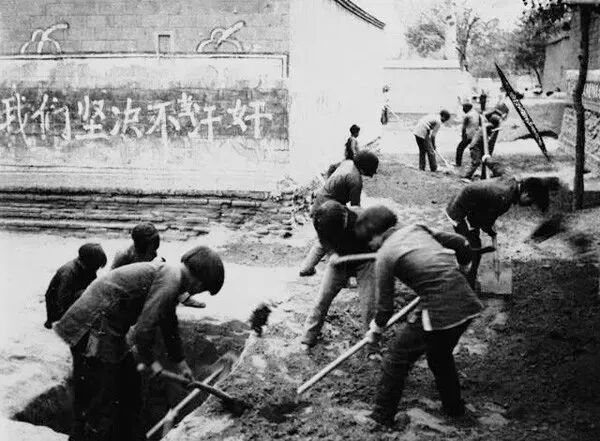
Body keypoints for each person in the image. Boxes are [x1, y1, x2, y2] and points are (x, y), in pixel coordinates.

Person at [54, 246, 225, 441]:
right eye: (203, 289)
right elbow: (144, 331)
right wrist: (154, 365)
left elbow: (168, 321)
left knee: (130, 387)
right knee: (99, 401)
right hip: (92, 330)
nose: (197, 291)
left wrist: (180, 362)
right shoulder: (171, 280)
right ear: (199, 283)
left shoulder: (171, 277)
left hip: (108, 330)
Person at [355, 206, 483, 428]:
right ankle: (454, 409)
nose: (370, 246)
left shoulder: (385, 254)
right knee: (439, 356)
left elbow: (385, 308)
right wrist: (463, 268)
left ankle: (380, 417)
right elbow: (461, 243)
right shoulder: (418, 228)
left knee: (396, 359)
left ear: (376, 235)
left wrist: (374, 331)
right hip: (467, 301)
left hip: (440, 309)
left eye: (369, 241)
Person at [300, 201, 378, 354]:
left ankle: (372, 348)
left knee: (369, 305)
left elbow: (382, 245)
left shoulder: (365, 220)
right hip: (339, 261)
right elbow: (322, 242)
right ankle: (307, 338)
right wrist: (331, 253)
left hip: (365, 262)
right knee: (322, 299)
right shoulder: (323, 222)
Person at [446, 176, 551, 287]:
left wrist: (487, 226)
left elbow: (486, 213)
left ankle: (469, 271)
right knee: (470, 245)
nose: (529, 205)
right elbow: (482, 218)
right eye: (531, 202)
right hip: (458, 209)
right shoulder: (504, 198)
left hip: (473, 206)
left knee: (474, 243)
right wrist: (487, 228)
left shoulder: (511, 185)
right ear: (526, 193)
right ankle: (465, 273)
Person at [299, 150, 379, 277]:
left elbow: (331, 169)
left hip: (319, 205)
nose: (373, 174)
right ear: (364, 168)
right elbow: (355, 208)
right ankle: (342, 275)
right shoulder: (355, 180)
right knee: (341, 241)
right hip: (328, 211)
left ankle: (306, 268)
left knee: (324, 240)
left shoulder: (347, 163)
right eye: (372, 170)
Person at [44, 243, 107, 329]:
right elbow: (62, 300)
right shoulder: (68, 273)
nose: (96, 269)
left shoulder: (88, 268)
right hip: (59, 309)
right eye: (96, 266)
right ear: (88, 262)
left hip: (71, 302)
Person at [461, 113, 502, 180]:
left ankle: (484, 176)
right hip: (476, 147)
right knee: (476, 162)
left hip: (479, 146)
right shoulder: (489, 127)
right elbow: (490, 142)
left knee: (484, 161)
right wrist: (496, 131)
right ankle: (466, 176)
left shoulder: (487, 126)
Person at [455, 102, 480, 167]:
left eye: (463, 108)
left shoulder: (467, 116)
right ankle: (477, 163)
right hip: (475, 134)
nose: (463, 109)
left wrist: (463, 137)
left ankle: (458, 164)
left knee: (460, 148)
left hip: (468, 135)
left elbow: (464, 127)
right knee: (475, 149)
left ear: (467, 108)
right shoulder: (476, 113)